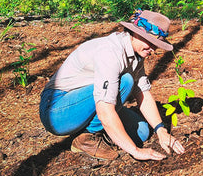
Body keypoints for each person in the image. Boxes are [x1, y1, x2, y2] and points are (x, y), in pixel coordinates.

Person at [39, 9, 185, 161]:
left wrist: (161, 130)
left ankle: (89, 131)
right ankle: (86, 138)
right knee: (126, 81)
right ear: (135, 33)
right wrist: (136, 151)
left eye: (157, 45)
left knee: (141, 132)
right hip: (56, 111)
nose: (153, 49)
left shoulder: (136, 55)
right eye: (150, 42)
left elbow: (143, 93)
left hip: (88, 100)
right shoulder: (110, 52)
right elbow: (104, 110)